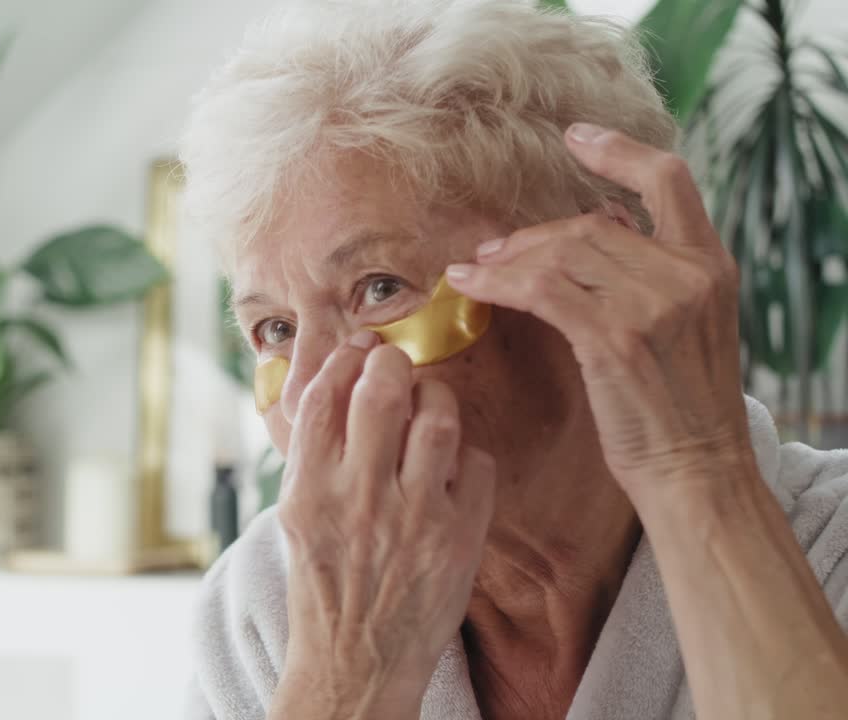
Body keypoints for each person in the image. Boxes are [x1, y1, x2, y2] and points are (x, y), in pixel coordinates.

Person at [177, 1, 848, 718]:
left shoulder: (830, 550)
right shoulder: (266, 604)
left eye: (379, 288)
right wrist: (347, 678)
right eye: (275, 329)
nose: (308, 392)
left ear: (603, 276)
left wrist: (699, 469)